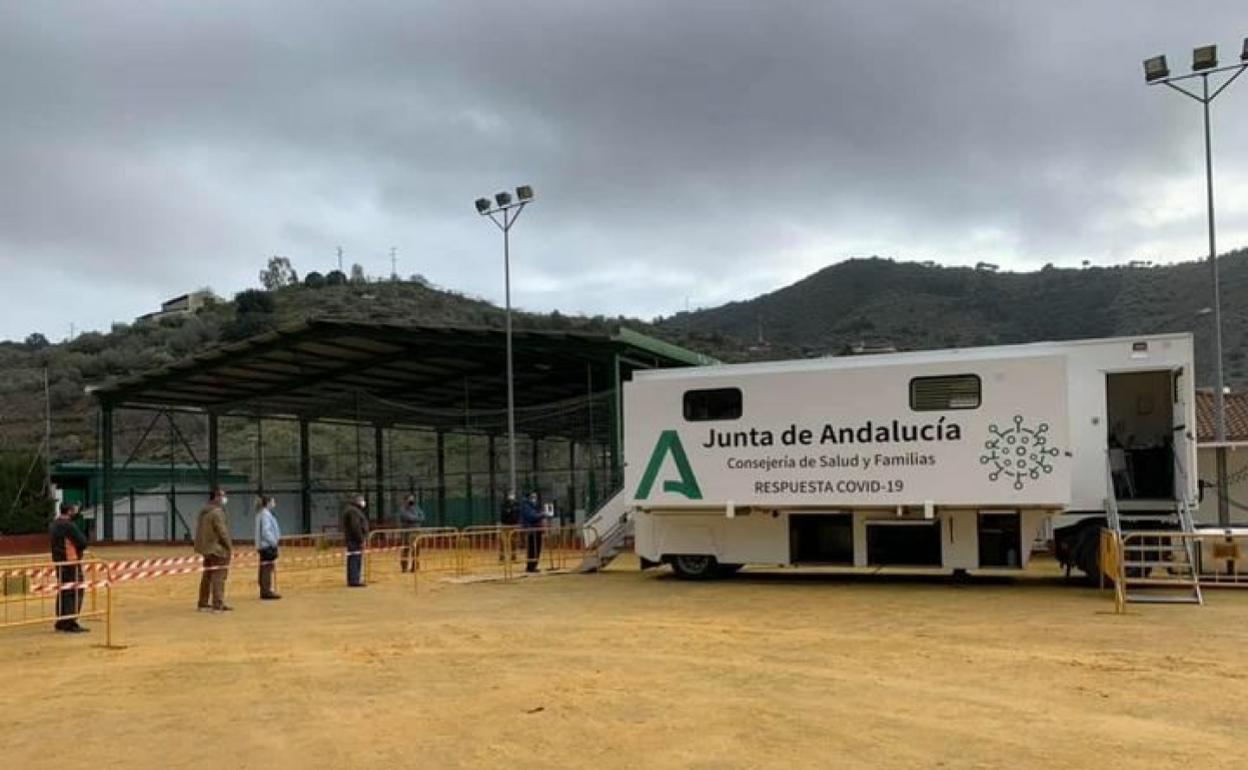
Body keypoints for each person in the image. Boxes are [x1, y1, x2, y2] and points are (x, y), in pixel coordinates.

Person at [49, 502, 89, 633]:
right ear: (69, 511)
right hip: (71, 562)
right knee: (75, 591)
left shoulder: (54, 524)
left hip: (59, 562)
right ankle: (70, 622)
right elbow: (82, 542)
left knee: (64, 590)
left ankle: (61, 620)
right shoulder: (69, 526)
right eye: (74, 510)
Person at [194, 487, 233, 612]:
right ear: (216, 497)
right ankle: (218, 603)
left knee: (207, 575)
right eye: (223, 496)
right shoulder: (217, 512)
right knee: (219, 576)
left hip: (206, 548)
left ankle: (203, 602)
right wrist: (229, 546)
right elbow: (222, 532)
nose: (224, 499)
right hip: (217, 549)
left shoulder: (204, 512)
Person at [254, 495, 281, 600]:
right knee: (267, 568)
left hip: (263, 545)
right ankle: (266, 591)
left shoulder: (261, 513)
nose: (274, 504)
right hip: (267, 545)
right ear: (268, 502)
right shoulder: (265, 514)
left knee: (265, 567)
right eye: (273, 501)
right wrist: (273, 541)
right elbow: (266, 531)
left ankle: (265, 589)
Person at [342, 493, 370, 587]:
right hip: (354, 540)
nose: (363, 502)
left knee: (354, 559)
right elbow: (356, 526)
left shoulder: (352, 510)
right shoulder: (353, 511)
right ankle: (354, 580)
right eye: (361, 500)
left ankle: (354, 579)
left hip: (353, 539)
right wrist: (361, 539)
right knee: (355, 560)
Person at [398, 495, 425, 573]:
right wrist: (417, 518)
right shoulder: (403, 509)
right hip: (407, 532)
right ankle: (404, 567)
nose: (411, 500)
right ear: (405, 500)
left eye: (412, 499)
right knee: (406, 549)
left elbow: (423, 516)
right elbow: (408, 518)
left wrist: (416, 518)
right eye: (410, 499)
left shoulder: (416, 507)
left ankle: (415, 567)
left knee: (416, 549)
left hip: (417, 531)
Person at [520, 491, 545, 573]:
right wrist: (542, 514)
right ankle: (530, 566)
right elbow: (532, 516)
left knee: (537, 549)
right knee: (532, 549)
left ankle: (534, 565)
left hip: (537, 530)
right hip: (531, 530)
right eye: (533, 497)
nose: (534, 498)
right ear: (529, 497)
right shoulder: (526, 506)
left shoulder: (535, 506)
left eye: (535, 496)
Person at [498, 492, 520, 562]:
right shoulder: (504, 504)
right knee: (503, 541)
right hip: (505, 524)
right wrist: (510, 510)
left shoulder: (517, 504)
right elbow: (505, 513)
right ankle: (502, 557)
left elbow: (517, 512)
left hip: (514, 524)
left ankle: (514, 556)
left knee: (514, 541)